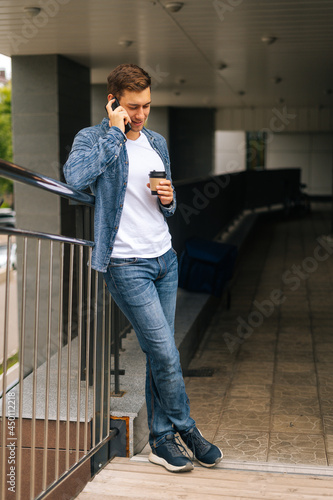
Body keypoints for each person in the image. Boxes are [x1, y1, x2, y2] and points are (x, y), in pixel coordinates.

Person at [63, 63, 222, 473]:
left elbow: (164, 204)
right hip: (125, 263)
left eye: (147, 106)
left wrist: (168, 198)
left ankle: (161, 440)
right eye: (133, 107)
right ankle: (187, 428)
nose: (141, 115)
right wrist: (116, 133)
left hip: (165, 259)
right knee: (167, 352)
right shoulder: (94, 137)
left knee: (159, 352)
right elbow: (76, 178)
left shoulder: (156, 141)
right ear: (113, 102)